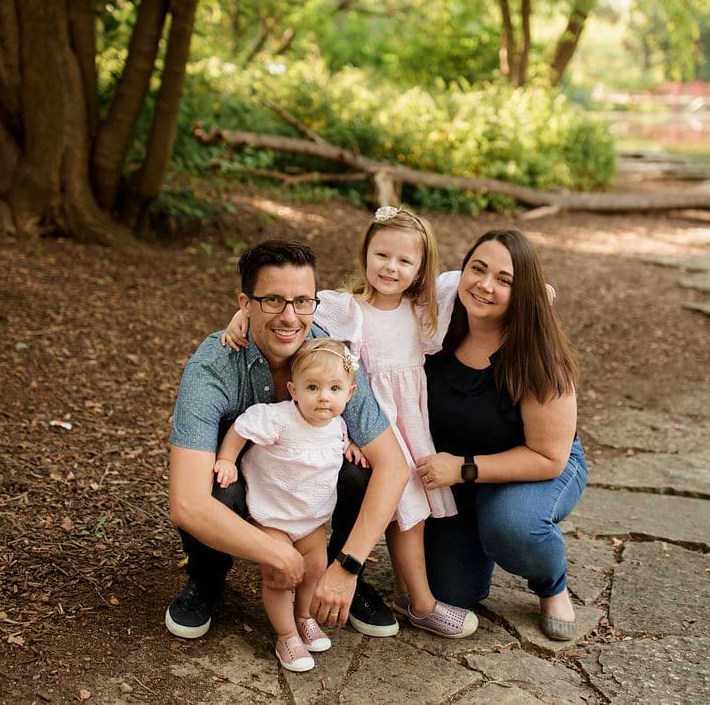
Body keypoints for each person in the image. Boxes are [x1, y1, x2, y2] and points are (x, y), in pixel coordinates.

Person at [223, 207, 478, 639]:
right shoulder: (344, 308)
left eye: (404, 261)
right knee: (393, 500)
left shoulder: (421, 312)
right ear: (365, 255)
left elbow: (456, 281)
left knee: (410, 510)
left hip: (406, 426)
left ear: (419, 271)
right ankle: (409, 597)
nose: (390, 268)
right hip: (355, 418)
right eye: (381, 255)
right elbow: (286, 304)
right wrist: (241, 316)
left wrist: (534, 287)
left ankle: (416, 598)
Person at [166, 239, 409, 643]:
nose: (290, 317)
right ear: (246, 304)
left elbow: (395, 466)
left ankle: (341, 580)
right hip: (245, 481)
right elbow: (186, 502)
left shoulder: (332, 356)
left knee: (361, 469)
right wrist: (277, 554)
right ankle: (207, 578)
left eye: (302, 301)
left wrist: (348, 565)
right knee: (215, 483)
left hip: (307, 491)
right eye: (273, 300)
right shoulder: (213, 366)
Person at [414, 228, 588, 642]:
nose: (485, 286)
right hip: (457, 475)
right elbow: (367, 307)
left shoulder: (538, 354)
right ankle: (482, 530)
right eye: (478, 269)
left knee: (512, 526)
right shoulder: (438, 321)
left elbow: (548, 457)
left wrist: (463, 469)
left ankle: (552, 582)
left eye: (505, 280)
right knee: (451, 592)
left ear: (521, 290)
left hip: (532, 465)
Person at [213, 338, 362, 671]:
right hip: (273, 518)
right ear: (294, 390)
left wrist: (351, 445)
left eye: (335, 388)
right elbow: (241, 428)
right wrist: (226, 459)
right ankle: (286, 635)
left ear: (349, 394)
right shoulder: (278, 418)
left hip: (312, 522)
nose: (324, 397)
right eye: (313, 387)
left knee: (313, 571)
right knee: (280, 575)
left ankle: (304, 617)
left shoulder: (338, 427)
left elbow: (335, 446)